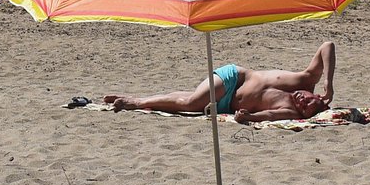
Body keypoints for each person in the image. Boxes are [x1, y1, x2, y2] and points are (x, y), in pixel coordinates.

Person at [104, 41, 336, 124]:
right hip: (234, 78)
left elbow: (269, 117)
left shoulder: (290, 112)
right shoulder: (306, 79)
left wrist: (248, 117)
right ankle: (134, 102)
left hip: (228, 104)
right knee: (190, 103)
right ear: (316, 95)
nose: (301, 100)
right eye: (308, 99)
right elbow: (328, 45)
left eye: (304, 107)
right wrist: (329, 81)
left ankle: (138, 98)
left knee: (187, 99)